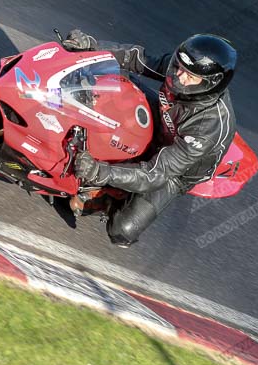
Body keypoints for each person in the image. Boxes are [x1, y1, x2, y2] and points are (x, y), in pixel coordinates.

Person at [61, 29, 238, 247]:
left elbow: (156, 174)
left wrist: (99, 172)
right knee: (117, 82)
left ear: (210, 84)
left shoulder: (207, 126)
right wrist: (92, 48)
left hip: (175, 172)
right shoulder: (181, 69)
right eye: (179, 68)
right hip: (164, 120)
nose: (179, 77)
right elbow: (137, 59)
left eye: (190, 76)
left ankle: (110, 198)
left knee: (122, 231)